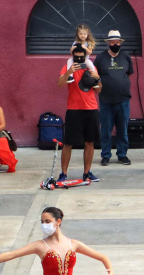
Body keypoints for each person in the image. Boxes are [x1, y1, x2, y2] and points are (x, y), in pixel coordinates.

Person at [57, 45, 102, 183]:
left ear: (85, 57)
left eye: (81, 57)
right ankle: (64, 173)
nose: (79, 59)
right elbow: (60, 84)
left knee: (90, 142)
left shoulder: (91, 68)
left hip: (91, 108)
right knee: (68, 143)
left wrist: (97, 78)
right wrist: (69, 72)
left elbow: (99, 90)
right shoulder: (68, 67)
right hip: (74, 109)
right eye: (76, 57)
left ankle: (87, 172)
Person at [93, 30, 134, 166]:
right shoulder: (100, 58)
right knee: (106, 130)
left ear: (120, 43)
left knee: (122, 129)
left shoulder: (126, 56)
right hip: (106, 100)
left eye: (117, 42)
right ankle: (105, 155)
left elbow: (128, 74)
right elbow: (95, 75)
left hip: (123, 100)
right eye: (113, 42)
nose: (115, 44)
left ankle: (122, 155)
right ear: (108, 43)